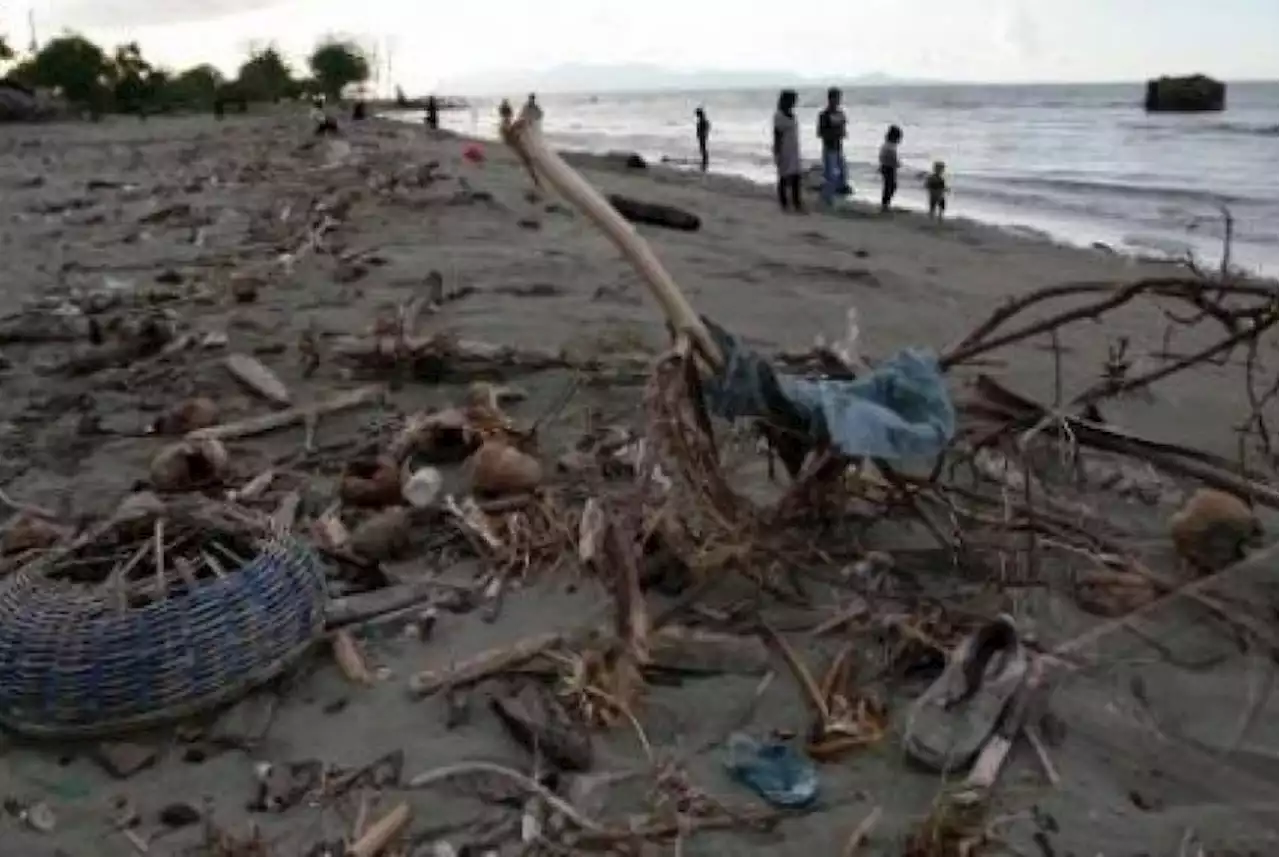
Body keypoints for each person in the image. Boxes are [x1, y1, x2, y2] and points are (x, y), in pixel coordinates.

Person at [816, 87, 849, 205]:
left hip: (838, 147)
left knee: (843, 172)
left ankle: (836, 194)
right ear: (830, 99)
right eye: (836, 98)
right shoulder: (824, 115)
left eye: (839, 98)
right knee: (830, 175)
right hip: (829, 147)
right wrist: (834, 132)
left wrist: (841, 131)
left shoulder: (840, 114)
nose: (838, 101)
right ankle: (827, 198)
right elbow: (820, 132)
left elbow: (844, 129)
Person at [773, 89, 803, 212]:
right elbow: (777, 135)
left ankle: (797, 203)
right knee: (784, 177)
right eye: (792, 100)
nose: (794, 103)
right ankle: (784, 203)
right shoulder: (779, 116)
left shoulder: (792, 115)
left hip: (793, 148)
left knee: (796, 176)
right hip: (784, 148)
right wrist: (777, 152)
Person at [878, 124, 903, 212]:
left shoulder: (887, 145)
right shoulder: (890, 146)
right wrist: (896, 164)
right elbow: (891, 158)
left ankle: (885, 204)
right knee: (890, 186)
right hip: (889, 168)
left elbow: (882, 157)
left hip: (886, 167)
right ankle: (885, 204)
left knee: (889, 186)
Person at [695, 107, 711, 172]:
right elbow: (707, 127)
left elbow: (706, 127)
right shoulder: (703, 119)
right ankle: (704, 160)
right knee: (702, 148)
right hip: (703, 135)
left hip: (702, 136)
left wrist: (703, 133)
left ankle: (705, 160)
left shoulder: (703, 120)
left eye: (697, 114)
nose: (696, 116)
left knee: (703, 148)